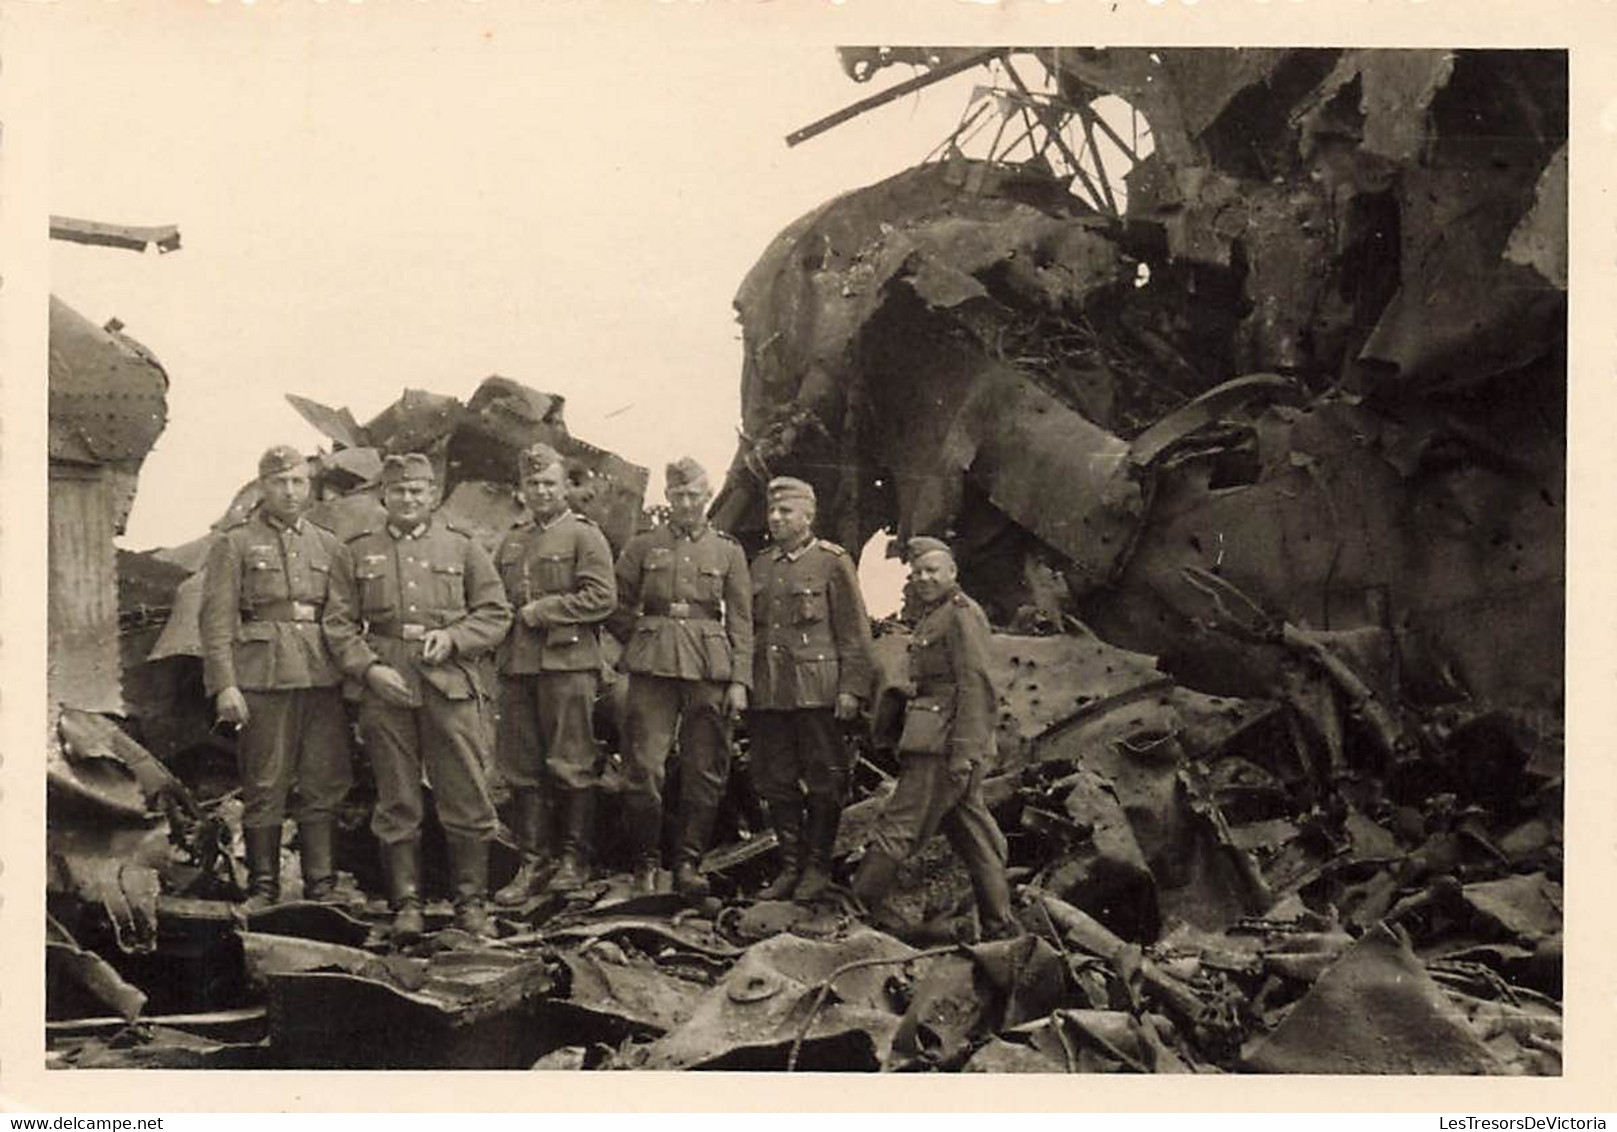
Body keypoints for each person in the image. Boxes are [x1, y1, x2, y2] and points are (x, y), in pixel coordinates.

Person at [323, 453, 513, 939]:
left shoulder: (464, 547)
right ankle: (405, 905)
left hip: (448, 681)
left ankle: (471, 904)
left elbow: (495, 613)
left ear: (432, 495)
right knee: (397, 798)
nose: (408, 499)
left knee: (466, 793)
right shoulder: (356, 551)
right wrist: (368, 669)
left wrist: (454, 639)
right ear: (384, 496)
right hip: (387, 681)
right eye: (399, 491)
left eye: (417, 491)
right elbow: (339, 624)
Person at [199, 445, 353, 910]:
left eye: (298, 482)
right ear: (263, 487)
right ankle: (263, 887)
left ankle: (321, 887)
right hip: (262, 678)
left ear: (309, 487)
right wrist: (225, 683)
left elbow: (343, 617)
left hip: (321, 677)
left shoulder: (329, 545)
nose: (290, 491)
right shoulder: (236, 543)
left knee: (323, 781)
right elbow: (216, 620)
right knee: (265, 782)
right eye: (279, 482)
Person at [851, 536, 1018, 940]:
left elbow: (975, 685)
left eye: (932, 571)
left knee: (899, 825)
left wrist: (964, 753)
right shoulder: (936, 615)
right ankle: (1001, 927)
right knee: (974, 835)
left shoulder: (961, 615)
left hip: (942, 746)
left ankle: (853, 910)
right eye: (918, 572)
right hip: (940, 740)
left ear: (952, 573)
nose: (923, 578)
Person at [607, 457, 751, 900]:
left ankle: (689, 862)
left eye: (694, 495)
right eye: (678, 495)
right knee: (644, 767)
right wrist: (644, 639)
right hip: (652, 667)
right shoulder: (643, 546)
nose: (686, 503)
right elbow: (616, 604)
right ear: (667, 497)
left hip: (709, 667)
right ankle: (645, 863)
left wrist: (739, 681)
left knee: (704, 768)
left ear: (707, 497)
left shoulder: (728, 551)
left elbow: (742, 622)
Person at [490, 442, 617, 903]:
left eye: (549, 483)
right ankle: (532, 862)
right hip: (518, 667)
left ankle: (574, 858)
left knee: (571, 764)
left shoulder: (585, 536)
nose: (541, 491)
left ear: (565, 487)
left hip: (569, 665)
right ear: (522, 489)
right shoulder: (513, 539)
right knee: (522, 768)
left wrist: (546, 610)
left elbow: (603, 598)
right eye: (532, 483)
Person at [747, 476, 874, 901]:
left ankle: (818, 867)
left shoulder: (832, 562)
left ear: (809, 515)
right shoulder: (761, 565)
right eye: (772, 511)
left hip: (820, 690)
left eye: (786, 511)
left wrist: (852, 689)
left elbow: (855, 632)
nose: (777, 518)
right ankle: (790, 866)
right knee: (776, 779)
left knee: (824, 779)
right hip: (771, 689)